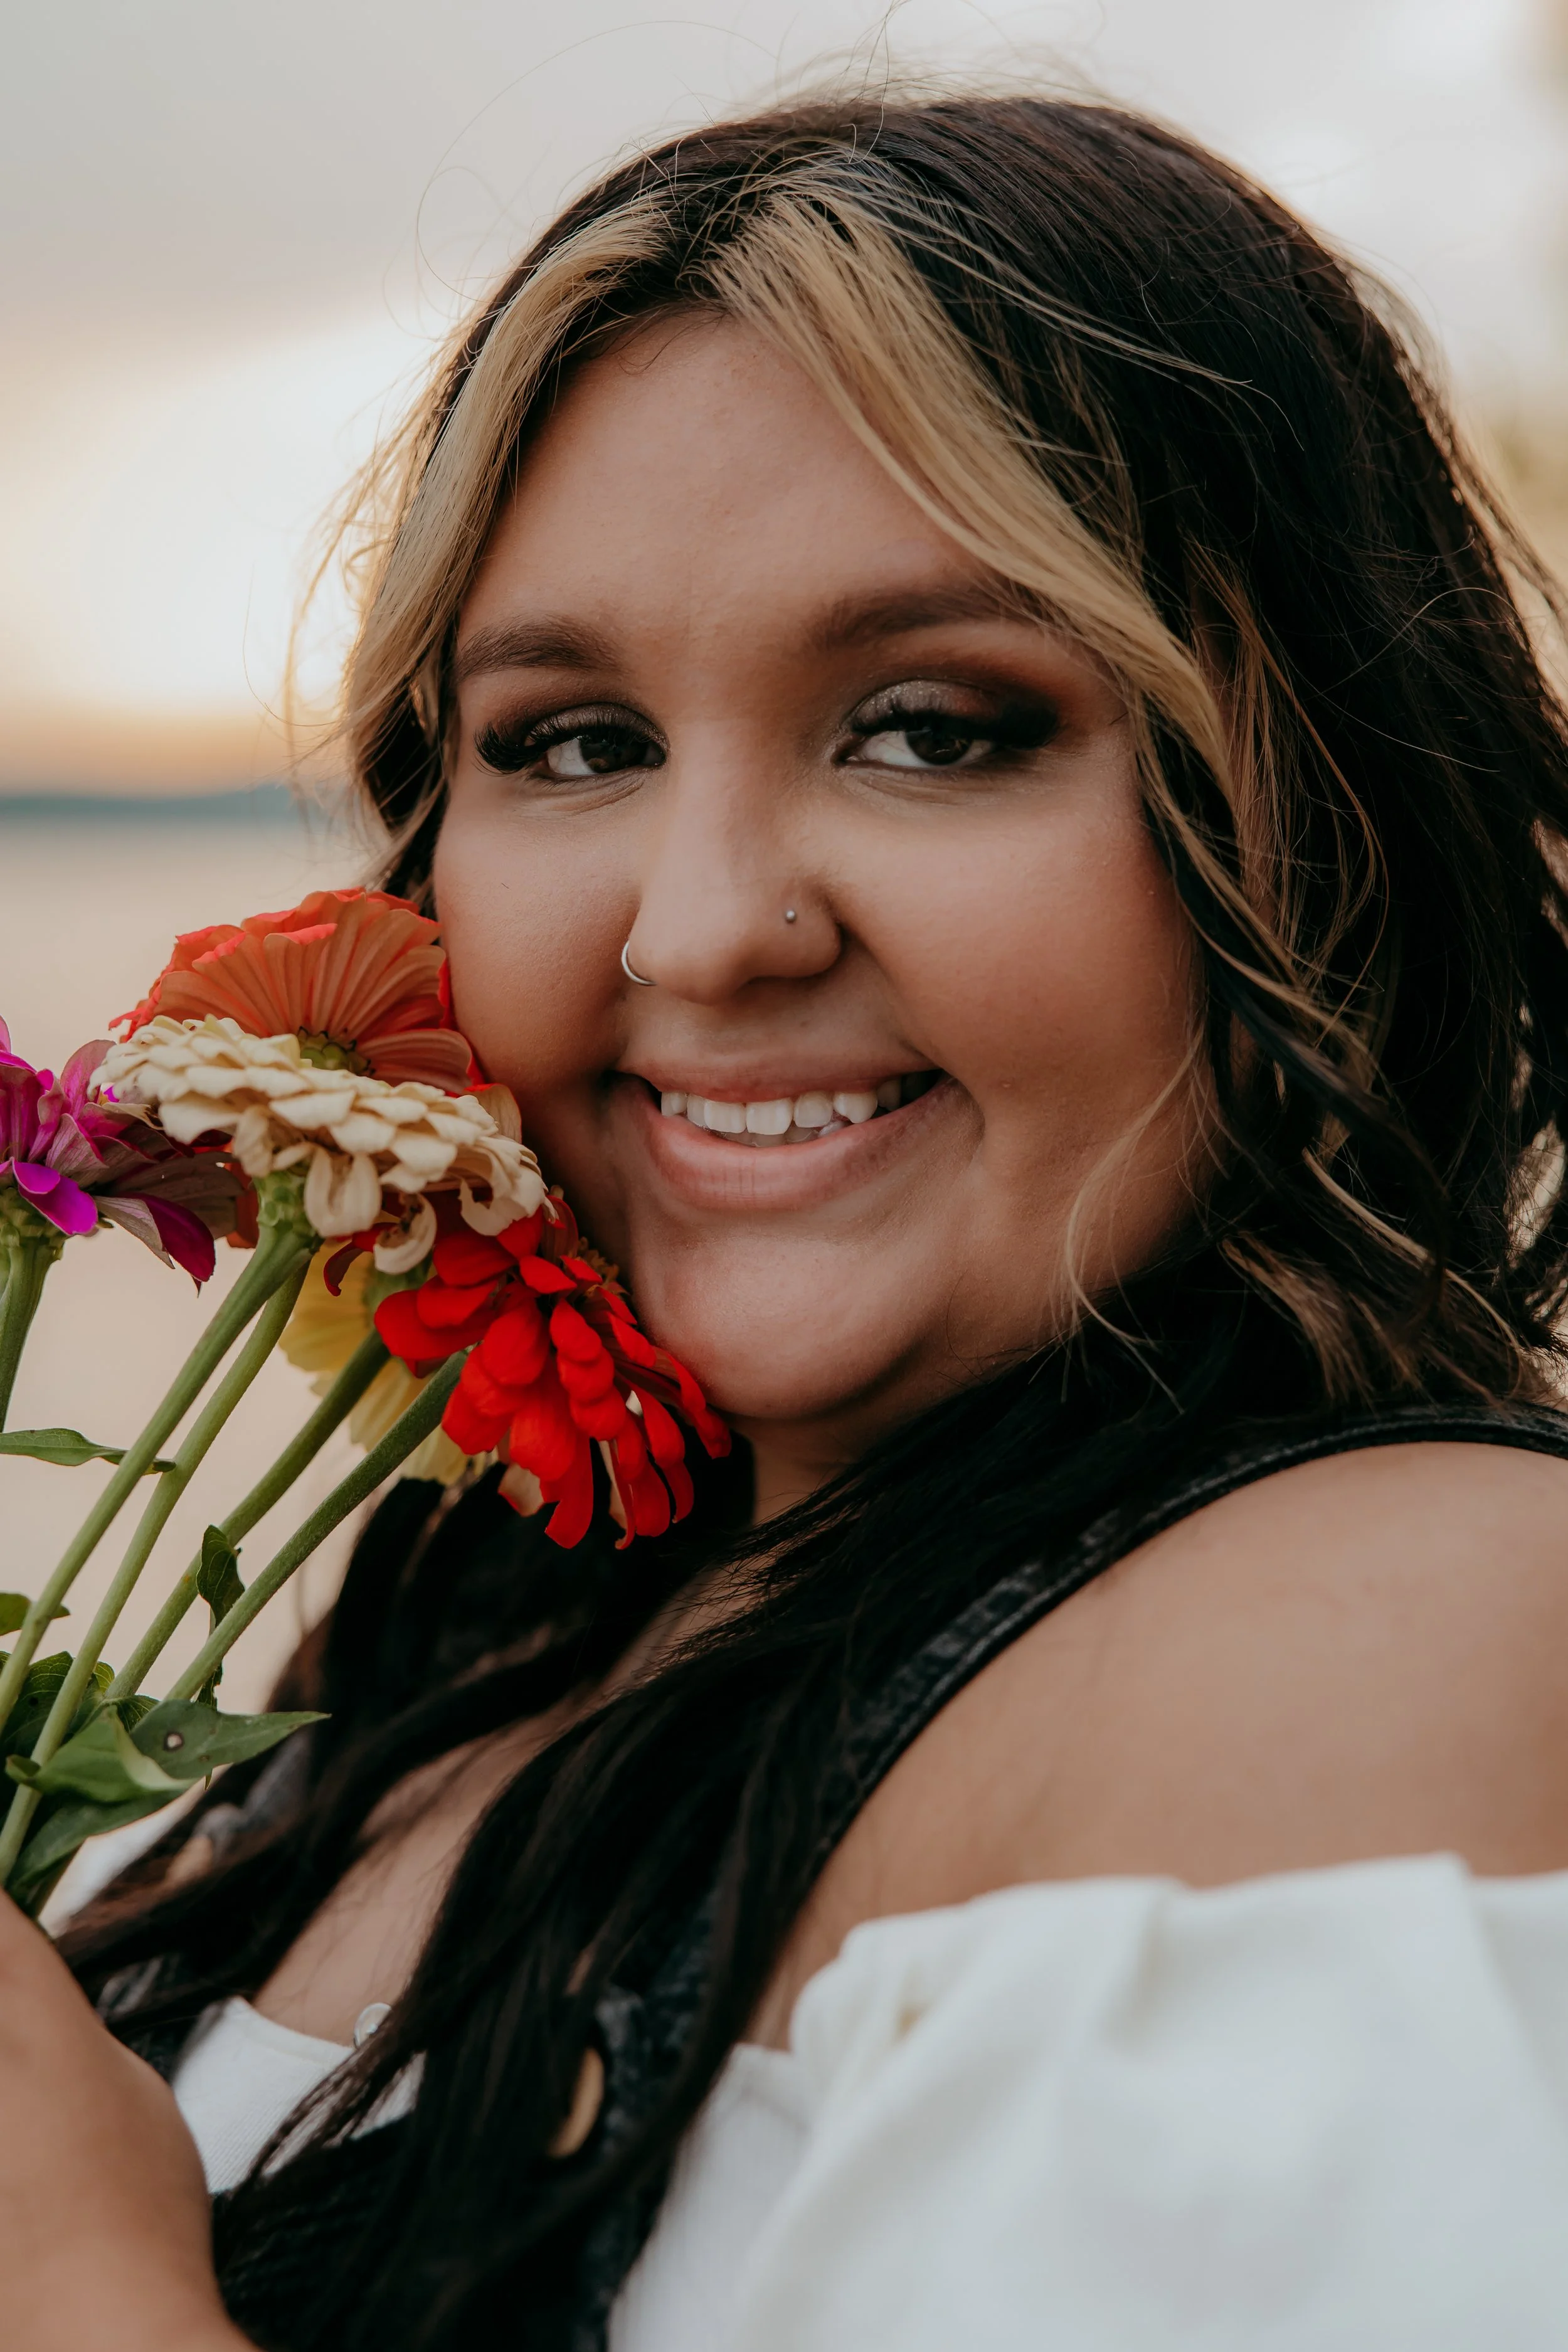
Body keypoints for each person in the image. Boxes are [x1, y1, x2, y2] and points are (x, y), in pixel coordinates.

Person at [11, 86, 1568, 2352]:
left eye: (934, 726)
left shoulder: (1397, 1630)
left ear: (1315, 816)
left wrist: (74, 2283)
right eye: (569, 742)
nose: (708, 928)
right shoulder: (460, 1632)